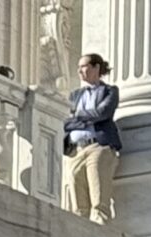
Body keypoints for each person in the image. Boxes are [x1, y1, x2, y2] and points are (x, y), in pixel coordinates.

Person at [63, 53, 122, 225]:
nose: (79, 70)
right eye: (78, 67)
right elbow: (65, 121)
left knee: (98, 197)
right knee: (77, 202)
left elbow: (103, 113)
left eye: (83, 66)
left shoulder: (110, 91)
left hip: (98, 146)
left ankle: (101, 228)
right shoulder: (74, 95)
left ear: (96, 67)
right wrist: (85, 120)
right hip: (75, 150)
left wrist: (77, 116)